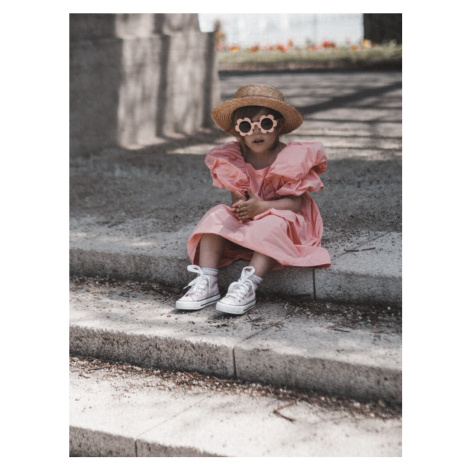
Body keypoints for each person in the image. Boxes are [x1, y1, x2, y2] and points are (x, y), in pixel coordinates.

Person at [175, 84, 331, 315]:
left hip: (287, 221)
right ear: (238, 132)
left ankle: (248, 285)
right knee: (216, 215)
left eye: (265, 123)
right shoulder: (233, 158)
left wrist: (262, 207)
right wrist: (244, 208)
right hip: (252, 218)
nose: (257, 132)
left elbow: (294, 205)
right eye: (246, 126)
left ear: (279, 126)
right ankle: (207, 281)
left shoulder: (291, 158)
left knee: (273, 222)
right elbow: (237, 201)